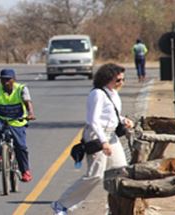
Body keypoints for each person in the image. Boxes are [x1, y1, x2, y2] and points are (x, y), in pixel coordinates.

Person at [50, 64, 136, 215]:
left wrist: (123, 120)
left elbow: (110, 115)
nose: (121, 83)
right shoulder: (97, 94)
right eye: (118, 80)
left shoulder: (113, 93)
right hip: (97, 135)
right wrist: (103, 142)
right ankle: (62, 204)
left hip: (111, 135)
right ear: (107, 79)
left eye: (123, 79)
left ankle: (115, 209)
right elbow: (93, 120)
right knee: (95, 175)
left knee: (121, 170)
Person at [0, 68, 36, 182]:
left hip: (18, 121)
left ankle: (25, 171)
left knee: (21, 147)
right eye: (3, 80)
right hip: (2, 119)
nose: (5, 82)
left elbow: (27, 101)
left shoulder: (21, 89)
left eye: (8, 79)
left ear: (14, 80)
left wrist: (31, 114)